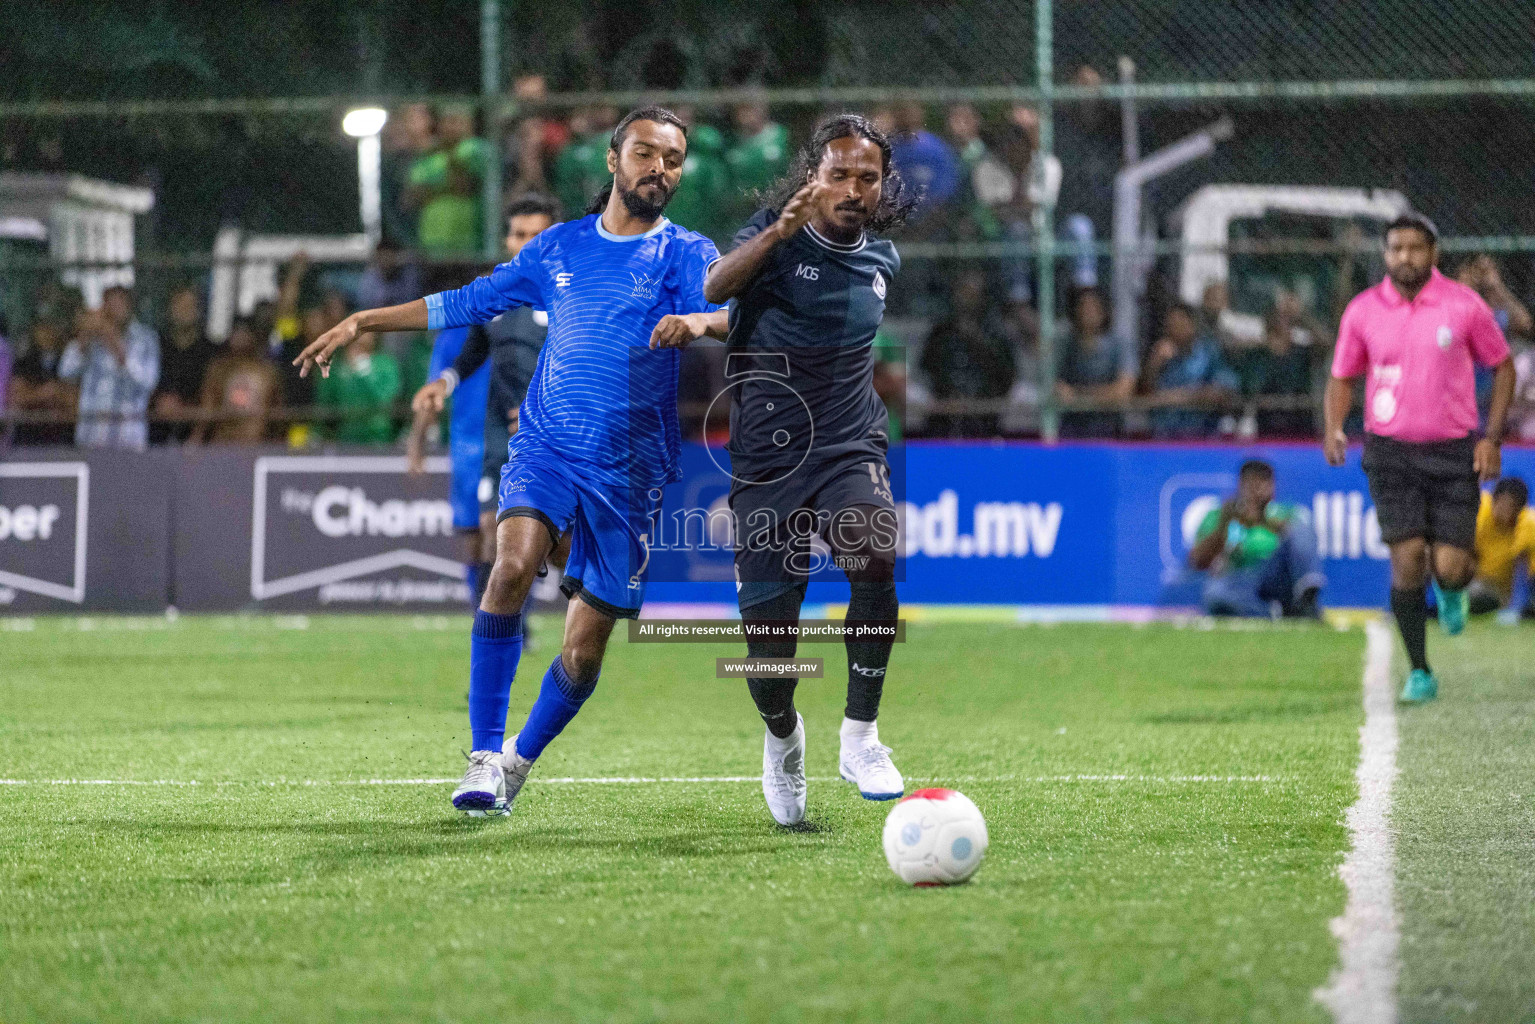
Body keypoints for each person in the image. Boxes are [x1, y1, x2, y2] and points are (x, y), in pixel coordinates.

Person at [296, 107, 726, 817]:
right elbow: (468, 301)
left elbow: (731, 308)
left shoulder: (683, 252)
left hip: (630, 471)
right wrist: (365, 319)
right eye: (646, 154)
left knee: (583, 654)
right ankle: (483, 755)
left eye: (673, 160)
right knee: (510, 563)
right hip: (546, 445)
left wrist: (701, 322)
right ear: (614, 160)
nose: (660, 169)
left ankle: (520, 759)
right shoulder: (556, 249)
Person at [702, 113, 918, 825]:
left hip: (848, 447)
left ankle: (860, 735)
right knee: (771, 653)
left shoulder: (882, 261)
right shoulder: (770, 236)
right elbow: (713, 291)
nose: (853, 187)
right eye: (839, 174)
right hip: (767, 464)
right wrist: (775, 234)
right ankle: (782, 737)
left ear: (882, 185)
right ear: (812, 180)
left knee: (874, 550)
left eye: (867, 176)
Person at [1325, 213, 1515, 703]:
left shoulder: (1463, 305)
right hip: (1390, 453)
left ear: (1433, 253)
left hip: (1454, 452)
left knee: (1450, 566)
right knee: (1408, 562)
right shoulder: (1363, 311)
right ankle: (1420, 672)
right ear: (1385, 254)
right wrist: (1333, 428)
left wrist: (1491, 437)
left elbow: (1503, 366)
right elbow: (1342, 376)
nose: (1404, 257)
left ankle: (1452, 591)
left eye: (1414, 248)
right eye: (1395, 248)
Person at [410, 194, 562, 608]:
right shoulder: (495, 292)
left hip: (557, 433)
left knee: (558, 540)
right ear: (507, 239)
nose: (528, 242)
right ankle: (497, 624)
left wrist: (543, 409)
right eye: (519, 234)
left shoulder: (572, 293)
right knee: (492, 526)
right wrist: (446, 381)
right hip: (500, 431)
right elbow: (473, 349)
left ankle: (575, 615)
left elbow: (589, 362)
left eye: (539, 234)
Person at [1188, 460, 1325, 618]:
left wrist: (1265, 521)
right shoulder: (1223, 514)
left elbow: (1303, 542)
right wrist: (1224, 526)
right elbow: (1197, 560)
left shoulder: (1287, 512)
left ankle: (1308, 596)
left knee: (1301, 528)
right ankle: (1279, 612)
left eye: (1263, 482)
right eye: (1251, 483)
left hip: (1276, 574)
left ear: (1272, 485)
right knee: (1215, 595)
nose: (1257, 490)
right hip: (1240, 578)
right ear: (1241, 485)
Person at [58, 287, 159, 451]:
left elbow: (147, 384)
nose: (114, 308)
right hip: (90, 439)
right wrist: (84, 339)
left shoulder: (146, 339)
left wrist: (116, 345)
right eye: (109, 303)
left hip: (128, 440)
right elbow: (65, 373)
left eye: (119, 303)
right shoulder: (90, 337)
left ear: (129, 306)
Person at [919, 269, 1015, 437]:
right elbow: (927, 368)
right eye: (963, 291)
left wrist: (979, 398)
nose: (966, 298)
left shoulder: (994, 333)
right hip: (945, 408)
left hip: (985, 410)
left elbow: (1007, 374)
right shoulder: (941, 332)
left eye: (973, 293)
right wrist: (946, 396)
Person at [1142, 303, 1241, 437]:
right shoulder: (1161, 353)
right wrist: (1153, 365)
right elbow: (1146, 395)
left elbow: (1222, 390)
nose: (1175, 328)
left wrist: (1174, 398)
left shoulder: (1209, 351)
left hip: (1200, 437)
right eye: (1170, 324)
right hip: (1163, 438)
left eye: (1180, 322)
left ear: (1192, 324)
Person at [406, 104, 491, 258]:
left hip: (470, 245)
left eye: (457, 121)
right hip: (432, 245)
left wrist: (433, 189)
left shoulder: (477, 148)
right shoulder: (428, 156)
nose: (451, 127)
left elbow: (464, 186)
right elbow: (411, 198)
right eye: (447, 121)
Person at [1056, 285, 1137, 437]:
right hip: (1072, 430)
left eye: (1093, 306)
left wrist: (1078, 395)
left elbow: (1123, 390)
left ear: (1104, 311)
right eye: (1083, 306)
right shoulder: (1066, 345)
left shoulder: (1119, 343)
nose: (1088, 312)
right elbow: (1057, 387)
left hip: (1109, 430)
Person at [190, 317, 277, 444]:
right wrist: (196, 438)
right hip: (223, 442)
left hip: (255, 443)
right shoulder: (218, 369)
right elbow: (207, 408)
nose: (240, 337)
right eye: (237, 332)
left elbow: (275, 411)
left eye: (245, 332)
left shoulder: (267, 372)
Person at [151, 284, 216, 443]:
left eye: (190, 305)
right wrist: (156, 402)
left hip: (196, 440)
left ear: (199, 311)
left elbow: (213, 398)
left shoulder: (211, 352)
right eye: (179, 305)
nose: (184, 310)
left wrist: (184, 410)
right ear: (170, 309)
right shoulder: (154, 346)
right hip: (153, 434)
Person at [314, 330, 401, 445]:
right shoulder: (337, 366)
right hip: (345, 436)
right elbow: (325, 402)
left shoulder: (385, 364)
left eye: (365, 332)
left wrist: (364, 373)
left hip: (379, 435)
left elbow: (386, 400)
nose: (359, 338)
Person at [1469, 477, 1534, 618]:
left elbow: (1525, 567)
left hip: (1498, 592)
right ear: (1496, 499)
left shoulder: (1527, 524)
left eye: (1515, 508)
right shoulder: (1477, 511)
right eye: (1507, 505)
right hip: (1470, 583)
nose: (1509, 513)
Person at [8, 317, 78, 446]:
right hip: (28, 439)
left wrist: (56, 395)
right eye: (43, 328)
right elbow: (17, 398)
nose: (47, 333)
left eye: (51, 328)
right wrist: (44, 393)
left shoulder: (68, 361)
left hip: (61, 440)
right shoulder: (24, 362)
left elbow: (73, 400)